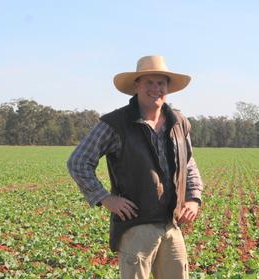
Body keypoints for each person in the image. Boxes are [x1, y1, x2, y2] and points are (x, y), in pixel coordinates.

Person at [67, 55, 203, 279]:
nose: (155, 88)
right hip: (136, 226)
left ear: (167, 87)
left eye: (161, 83)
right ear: (136, 85)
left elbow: (189, 164)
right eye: (149, 82)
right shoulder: (116, 123)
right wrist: (105, 198)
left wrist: (193, 198)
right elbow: (78, 162)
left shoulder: (179, 123)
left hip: (171, 224)